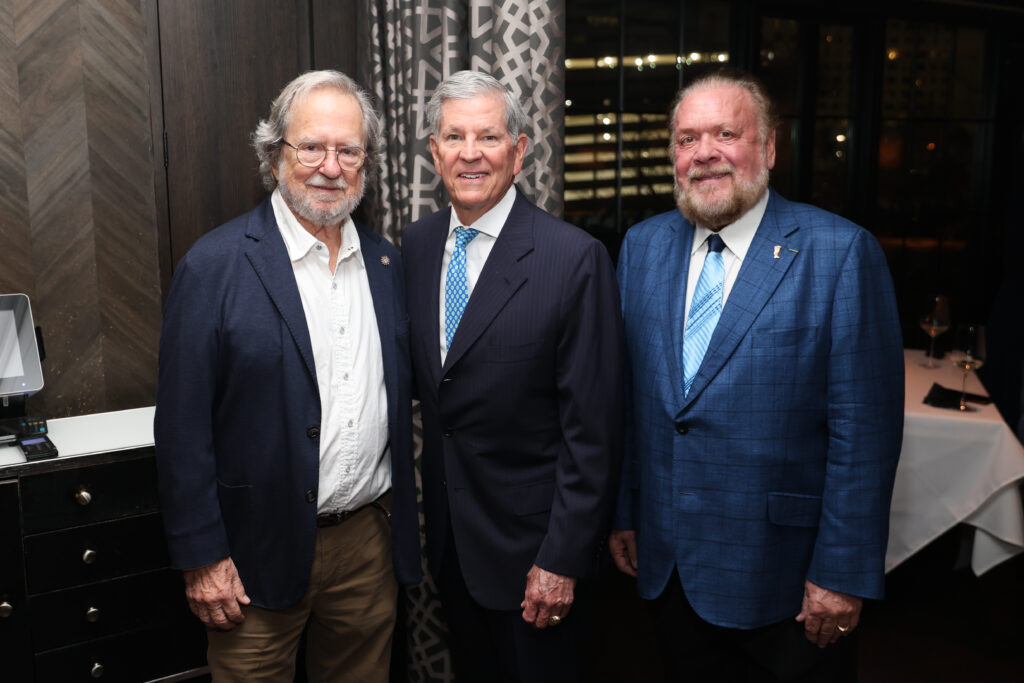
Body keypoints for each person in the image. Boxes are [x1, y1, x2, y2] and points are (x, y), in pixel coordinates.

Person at [609, 67, 904, 682]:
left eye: (726, 134)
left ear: (768, 148)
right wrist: (626, 510)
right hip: (670, 567)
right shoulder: (641, 246)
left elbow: (865, 435)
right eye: (687, 139)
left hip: (788, 582)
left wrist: (841, 574)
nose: (705, 154)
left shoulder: (839, 252)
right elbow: (633, 401)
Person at [154, 70, 421, 682]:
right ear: (275, 155)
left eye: (348, 150)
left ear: (366, 162)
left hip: (365, 548)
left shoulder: (385, 264)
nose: (330, 166)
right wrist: (202, 558)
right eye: (312, 147)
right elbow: (181, 428)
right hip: (253, 557)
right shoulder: (214, 267)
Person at [401, 70, 624, 683]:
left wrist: (562, 558)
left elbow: (594, 432)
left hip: (535, 557)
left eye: (489, 137)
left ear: (520, 150)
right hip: (449, 547)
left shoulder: (573, 259)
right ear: (434, 151)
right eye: (454, 136)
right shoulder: (415, 248)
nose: (470, 153)